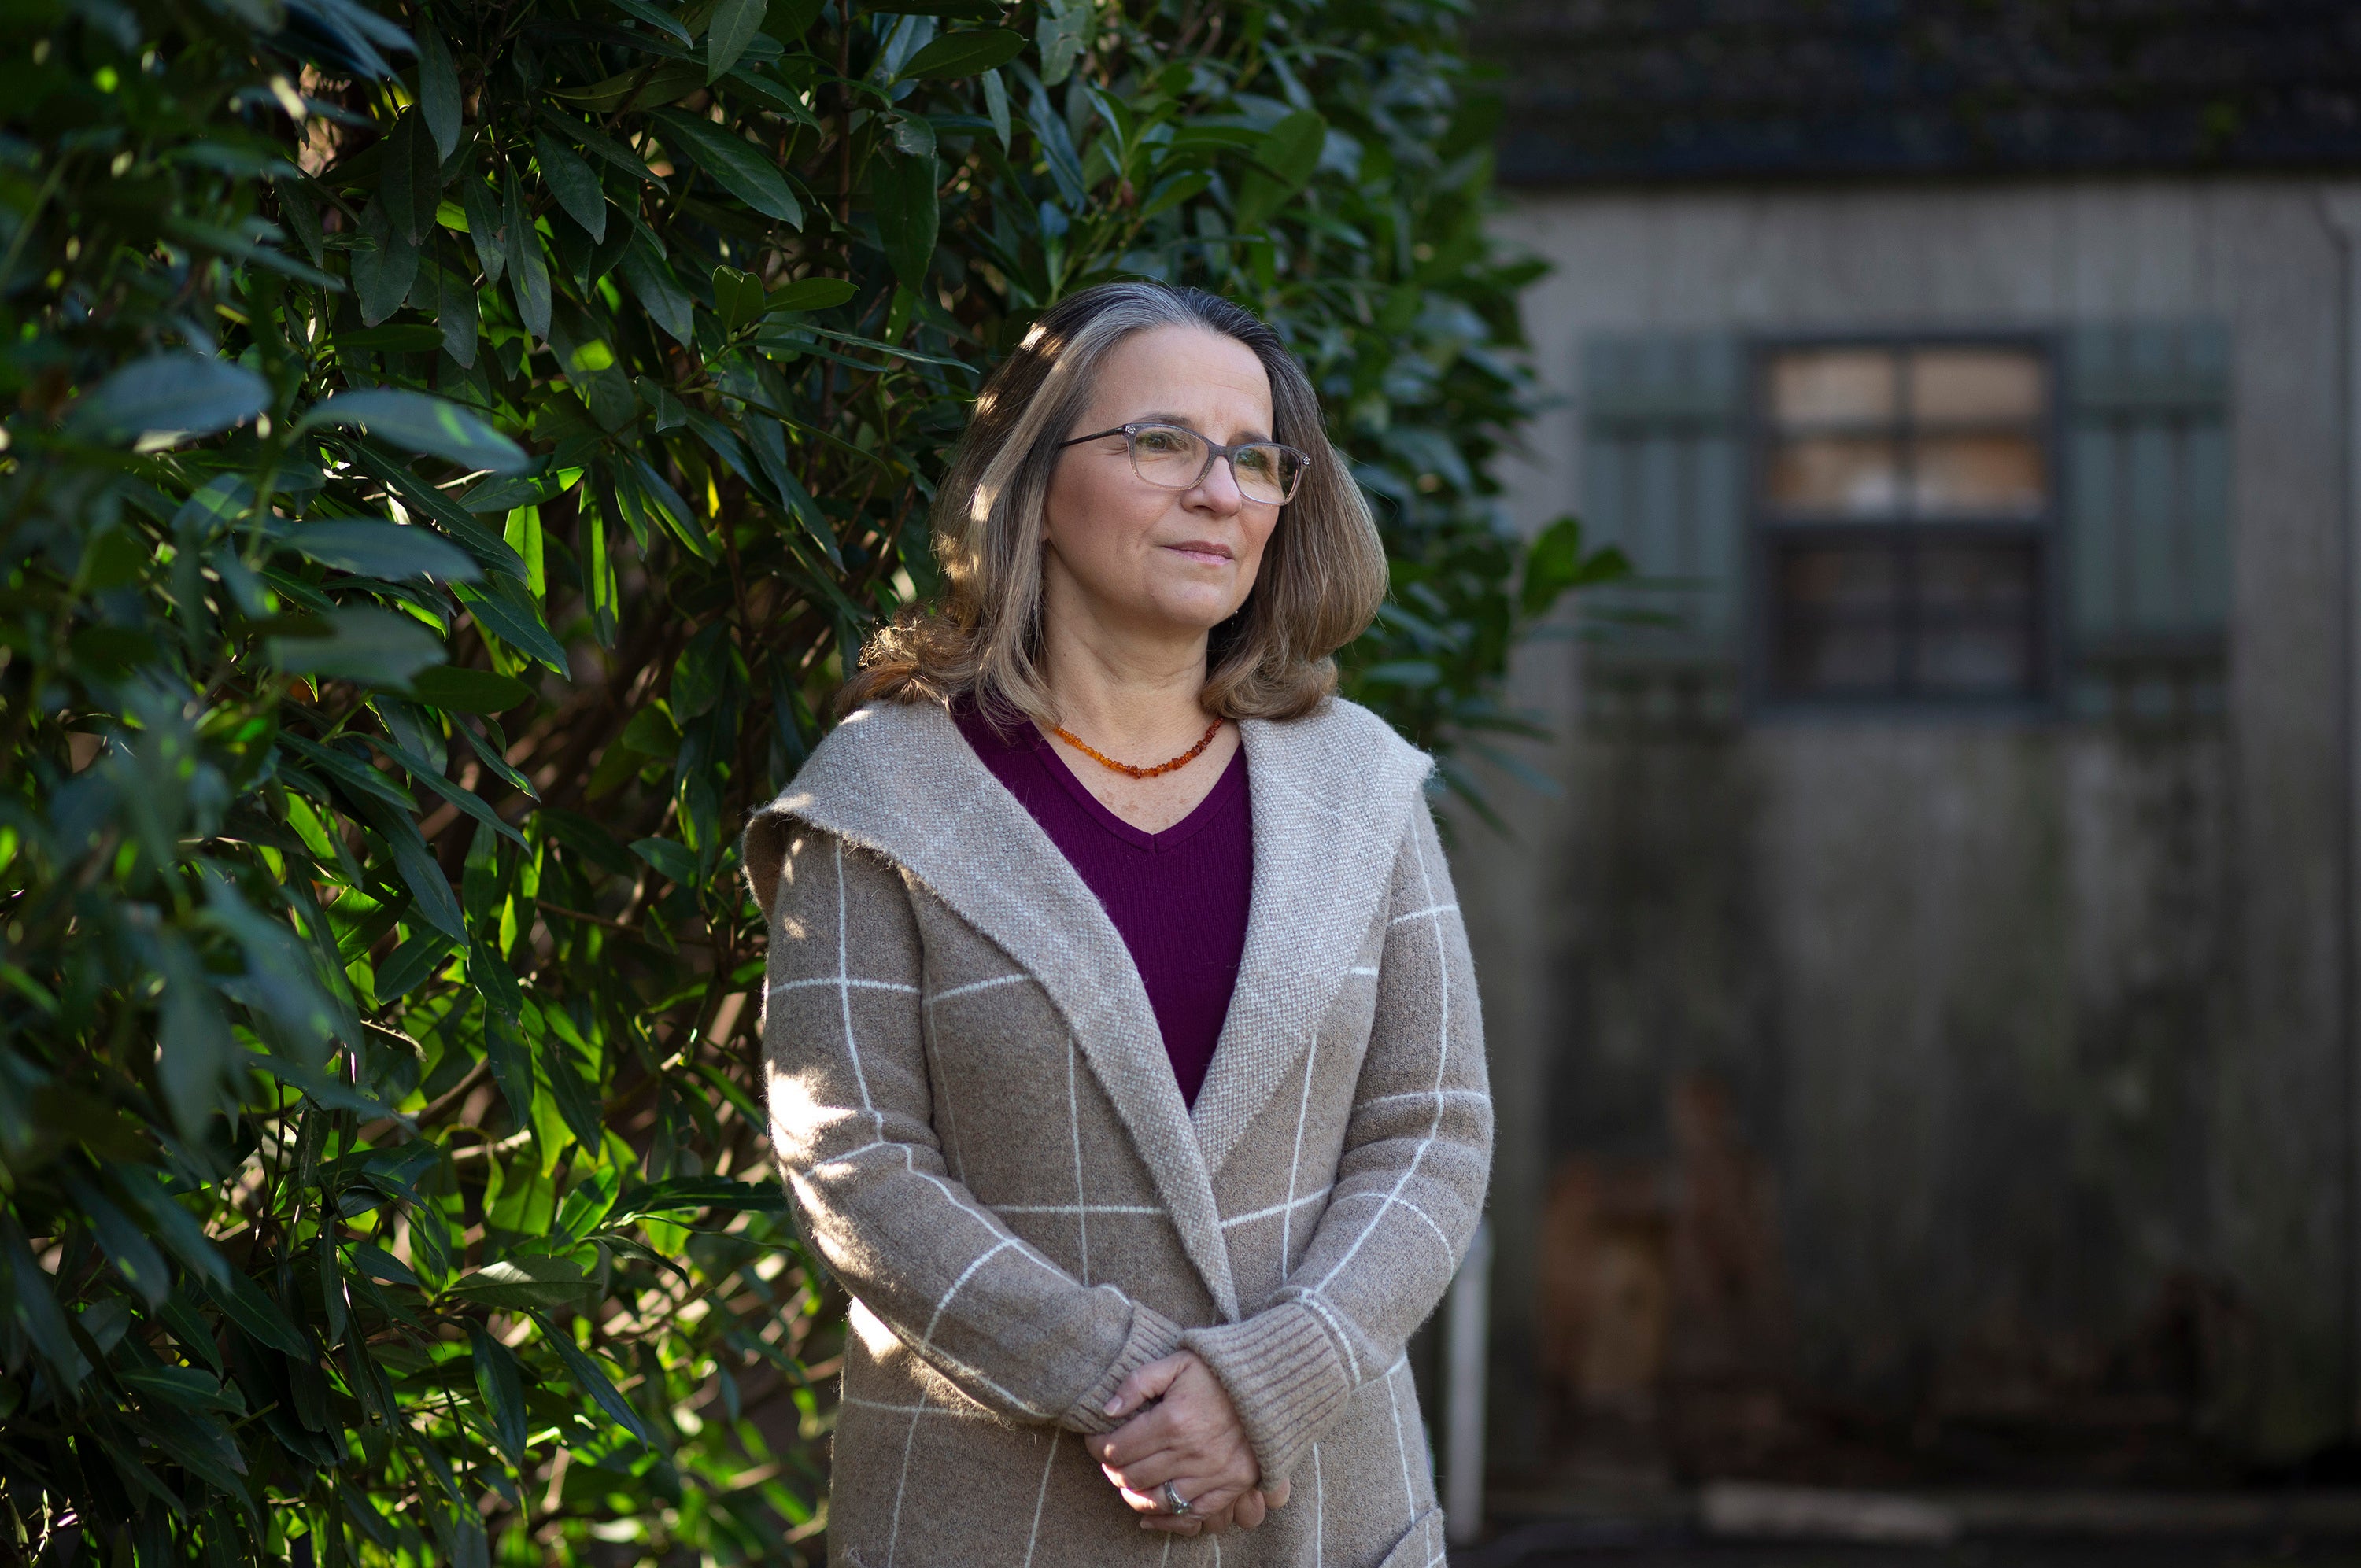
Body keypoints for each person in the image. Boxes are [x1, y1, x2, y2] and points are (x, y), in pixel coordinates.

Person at [743, 280, 1492, 1567]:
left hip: (1326, 1502)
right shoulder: (881, 793)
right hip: (992, 1511)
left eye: (1257, 459)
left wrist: (1269, 1386)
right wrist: (1133, 1385)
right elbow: (852, 1154)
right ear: (1033, 483)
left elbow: (1432, 1129)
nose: (1222, 491)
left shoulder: (1360, 786)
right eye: (1163, 443)